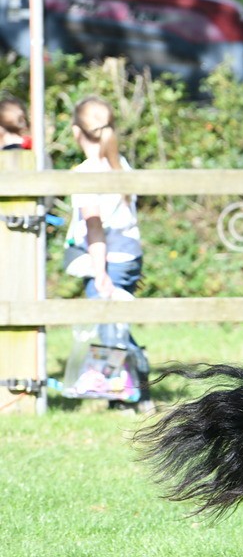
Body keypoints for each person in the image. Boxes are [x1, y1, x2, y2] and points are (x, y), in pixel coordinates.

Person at [63, 95, 153, 411]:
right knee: (117, 323)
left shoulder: (86, 174)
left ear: (77, 132)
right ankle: (127, 390)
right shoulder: (120, 164)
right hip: (129, 256)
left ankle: (132, 390)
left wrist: (99, 272)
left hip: (108, 259)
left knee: (109, 327)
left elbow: (94, 229)